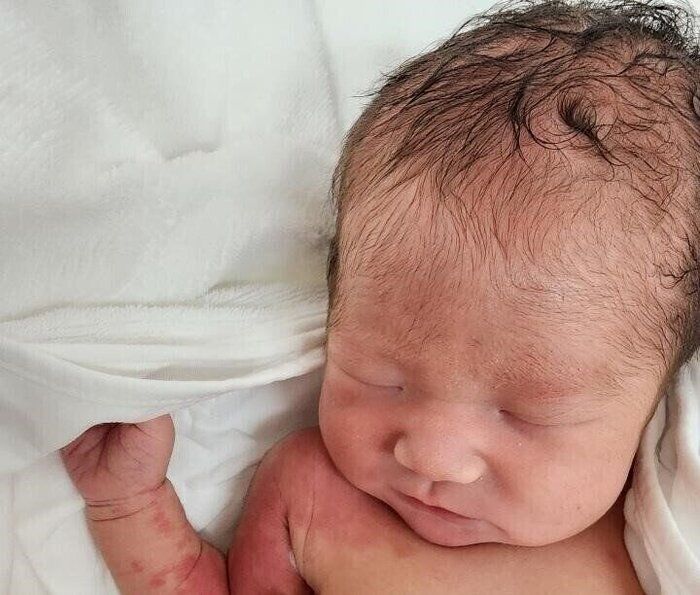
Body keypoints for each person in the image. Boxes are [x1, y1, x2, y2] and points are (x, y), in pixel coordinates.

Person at [61, 0, 700, 592]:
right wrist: (127, 505)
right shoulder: (308, 489)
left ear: (655, 394)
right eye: (382, 378)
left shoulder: (658, 522)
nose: (433, 457)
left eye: (529, 414)